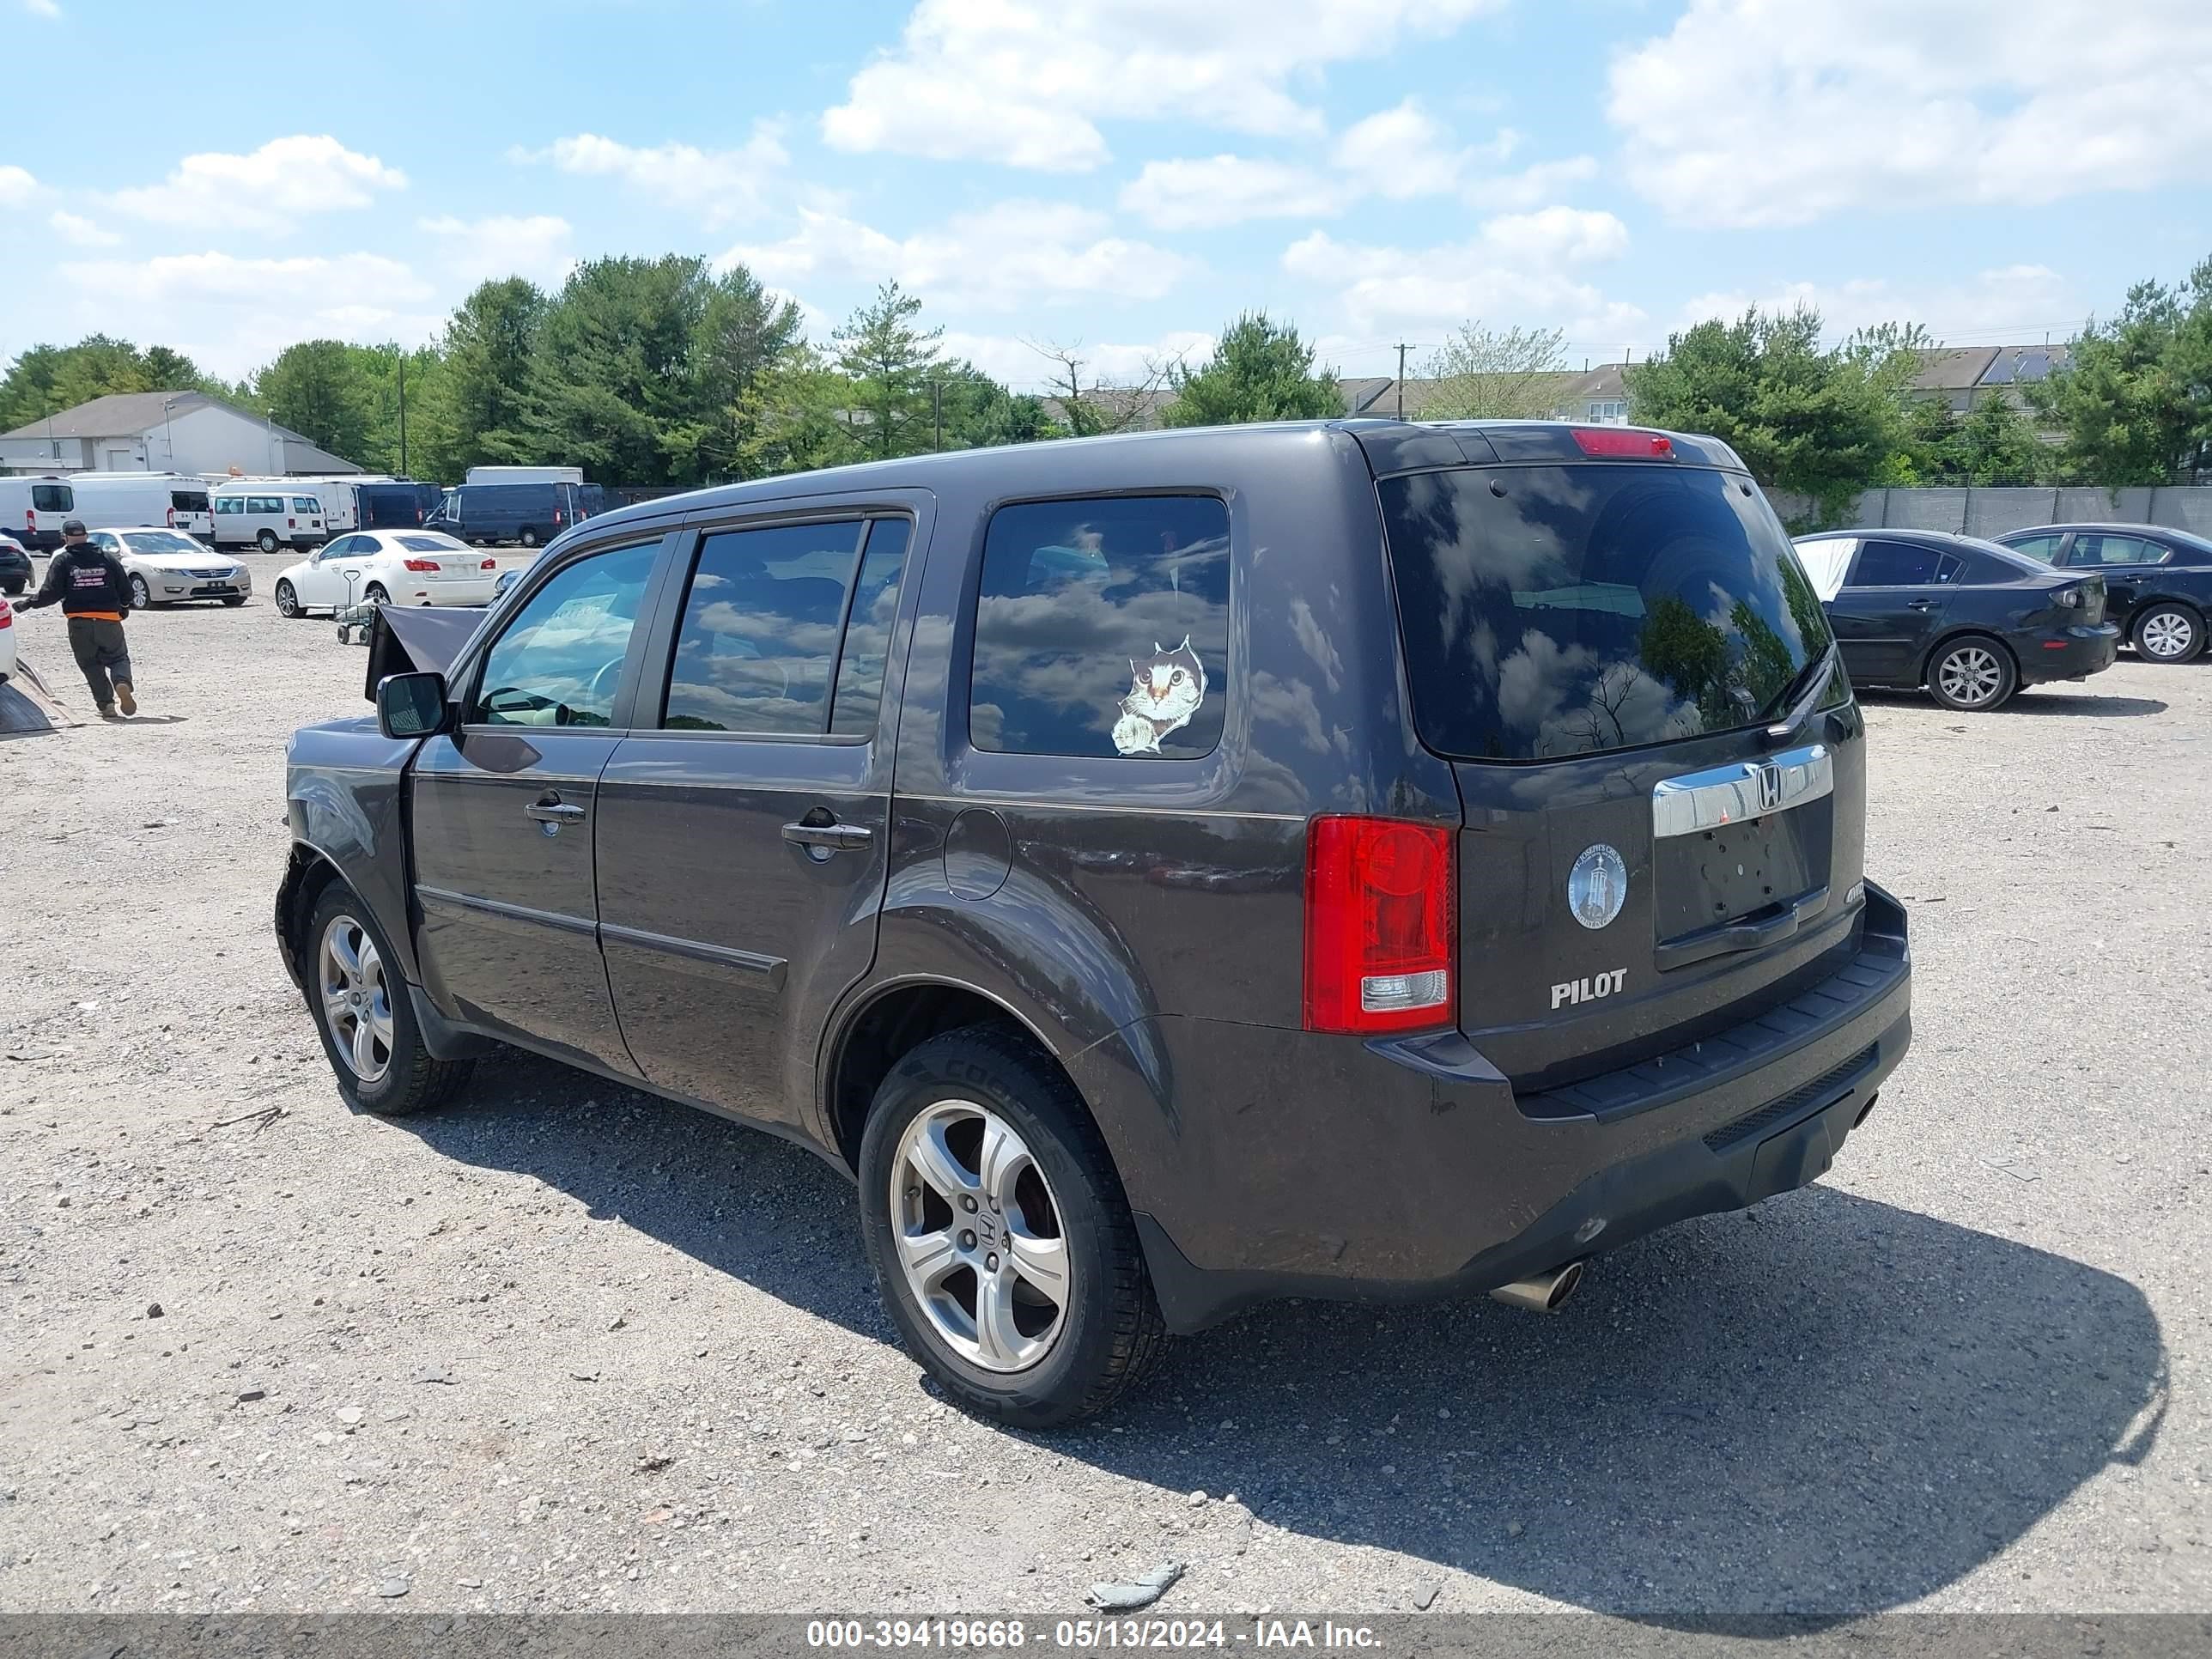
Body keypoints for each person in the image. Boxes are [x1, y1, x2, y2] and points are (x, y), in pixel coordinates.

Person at [19, 519, 138, 717]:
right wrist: (123, 608)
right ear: (86, 535)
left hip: (79, 621)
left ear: (65, 538)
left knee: (91, 664)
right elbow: (127, 590)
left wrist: (27, 603)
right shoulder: (107, 558)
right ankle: (122, 682)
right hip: (109, 620)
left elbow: (50, 593)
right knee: (118, 657)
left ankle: (106, 706)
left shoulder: (63, 560)